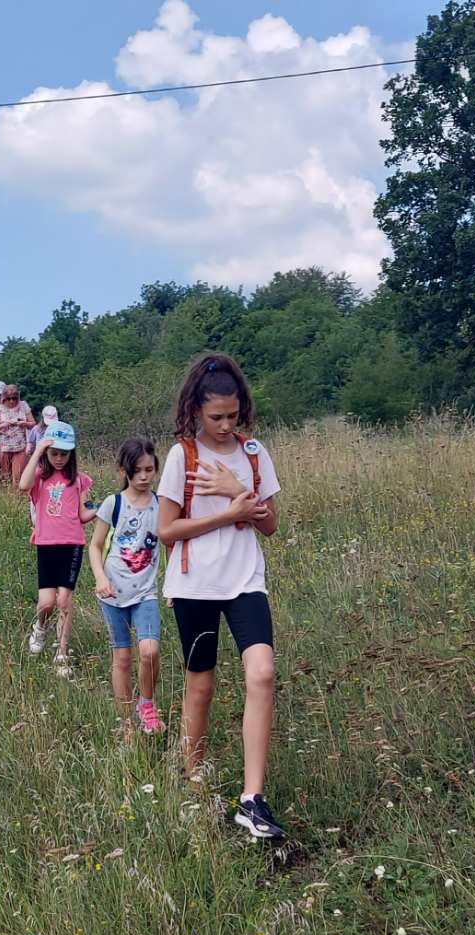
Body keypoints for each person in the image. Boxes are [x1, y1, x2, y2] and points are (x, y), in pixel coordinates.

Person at [156, 352, 284, 840]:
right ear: (195, 411)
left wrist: (237, 488)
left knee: (263, 672)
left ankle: (253, 799)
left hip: (245, 580)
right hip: (196, 585)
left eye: (233, 415)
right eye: (217, 417)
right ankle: (192, 783)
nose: (227, 425)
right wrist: (229, 513)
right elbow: (167, 530)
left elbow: (270, 525)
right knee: (201, 687)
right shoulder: (182, 456)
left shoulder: (253, 453)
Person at [88, 438, 165, 737]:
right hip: (113, 592)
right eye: (138, 470)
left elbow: (171, 543)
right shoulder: (113, 503)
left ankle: (146, 705)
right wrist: (100, 578)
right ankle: (126, 722)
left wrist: (173, 586)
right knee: (121, 657)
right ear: (124, 470)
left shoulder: (161, 505)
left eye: (149, 469)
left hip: (146, 592)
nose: (144, 476)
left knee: (149, 651)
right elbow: (95, 546)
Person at [19, 421, 95, 678]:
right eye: (55, 453)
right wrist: (38, 451)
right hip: (46, 544)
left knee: (64, 600)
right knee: (46, 603)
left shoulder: (79, 480)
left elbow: (83, 514)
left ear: (72, 453)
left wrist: (103, 508)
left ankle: (62, 654)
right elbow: (23, 485)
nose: (60, 459)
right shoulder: (40, 477)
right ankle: (40, 628)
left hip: (72, 545)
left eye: (64, 454)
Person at [0, 384, 34, 491]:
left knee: (18, 477)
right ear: (4, 398)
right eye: (9, 398)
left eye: (14, 398)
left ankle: (17, 497)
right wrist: (3, 425)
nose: (11, 401)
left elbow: (33, 424)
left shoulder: (23, 406)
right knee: (4, 478)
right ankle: (6, 498)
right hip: (4, 448)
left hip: (20, 447)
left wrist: (24, 423)